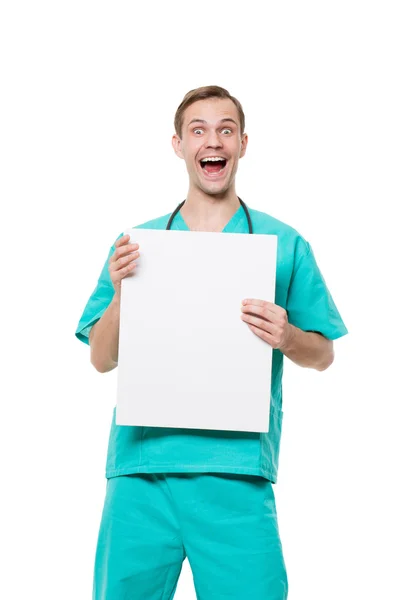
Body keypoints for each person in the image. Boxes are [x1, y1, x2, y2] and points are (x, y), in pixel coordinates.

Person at [75, 85, 348, 600]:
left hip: (236, 475)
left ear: (243, 144)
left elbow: (324, 353)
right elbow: (100, 358)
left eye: (225, 129)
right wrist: (120, 293)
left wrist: (286, 335)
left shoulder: (283, 244)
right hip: (141, 473)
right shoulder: (134, 245)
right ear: (177, 145)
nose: (212, 140)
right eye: (197, 130)